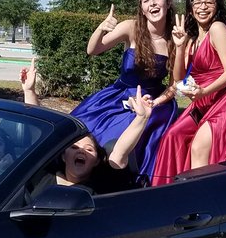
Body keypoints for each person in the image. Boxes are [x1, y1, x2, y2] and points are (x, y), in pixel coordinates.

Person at [69, 0, 180, 181]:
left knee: (122, 147)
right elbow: (93, 50)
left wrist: (155, 103)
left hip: (153, 101)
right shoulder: (131, 27)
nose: (152, 4)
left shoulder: (175, 38)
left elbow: (175, 84)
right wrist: (101, 29)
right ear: (142, 9)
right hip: (118, 94)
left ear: (168, 2)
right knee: (78, 135)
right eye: (146, 0)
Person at [150, 0, 226, 185]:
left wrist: (204, 91)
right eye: (198, 2)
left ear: (217, 6)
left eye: (209, 2)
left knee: (199, 147)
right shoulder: (191, 38)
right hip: (203, 103)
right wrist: (180, 47)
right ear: (191, 7)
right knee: (172, 137)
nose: (202, 7)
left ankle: (200, 203)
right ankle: (170, 191)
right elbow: (179, 78)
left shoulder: (218, 29)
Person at [22, 61, 150, 196]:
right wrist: (29, 91)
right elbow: (40, 132)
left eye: (89, 149)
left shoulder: (100, 186)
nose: (81, 151)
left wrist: (141, 118)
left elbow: (119, 154)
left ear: (96, 161)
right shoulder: (44, 174)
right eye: (74, 147)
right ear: (64, 156)